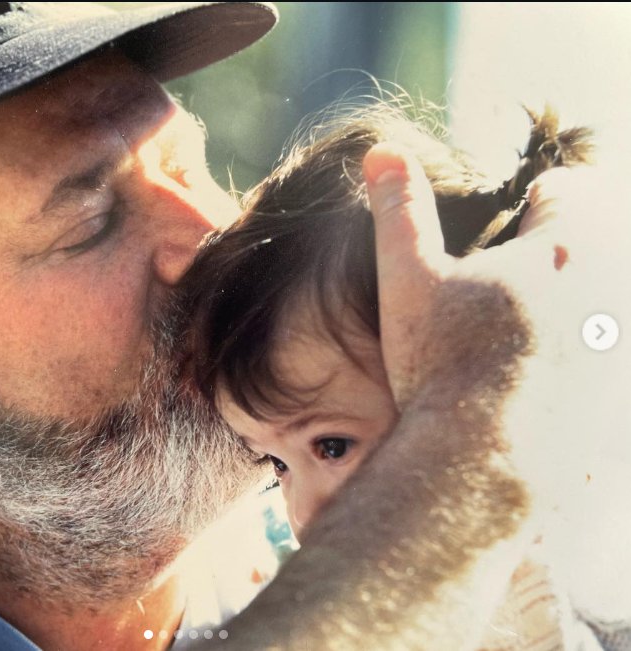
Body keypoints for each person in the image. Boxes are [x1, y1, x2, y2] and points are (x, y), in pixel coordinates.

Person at [0, 3, 622, 651]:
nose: (208, 236)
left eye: (195, 169)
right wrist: (469, 433)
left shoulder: (313, 502)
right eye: (92, 220)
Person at [181, 102, 616, 650]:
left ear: (484, 361)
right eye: (276, 463)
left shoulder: (567, 590)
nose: (302, 512)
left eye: (333, 445)